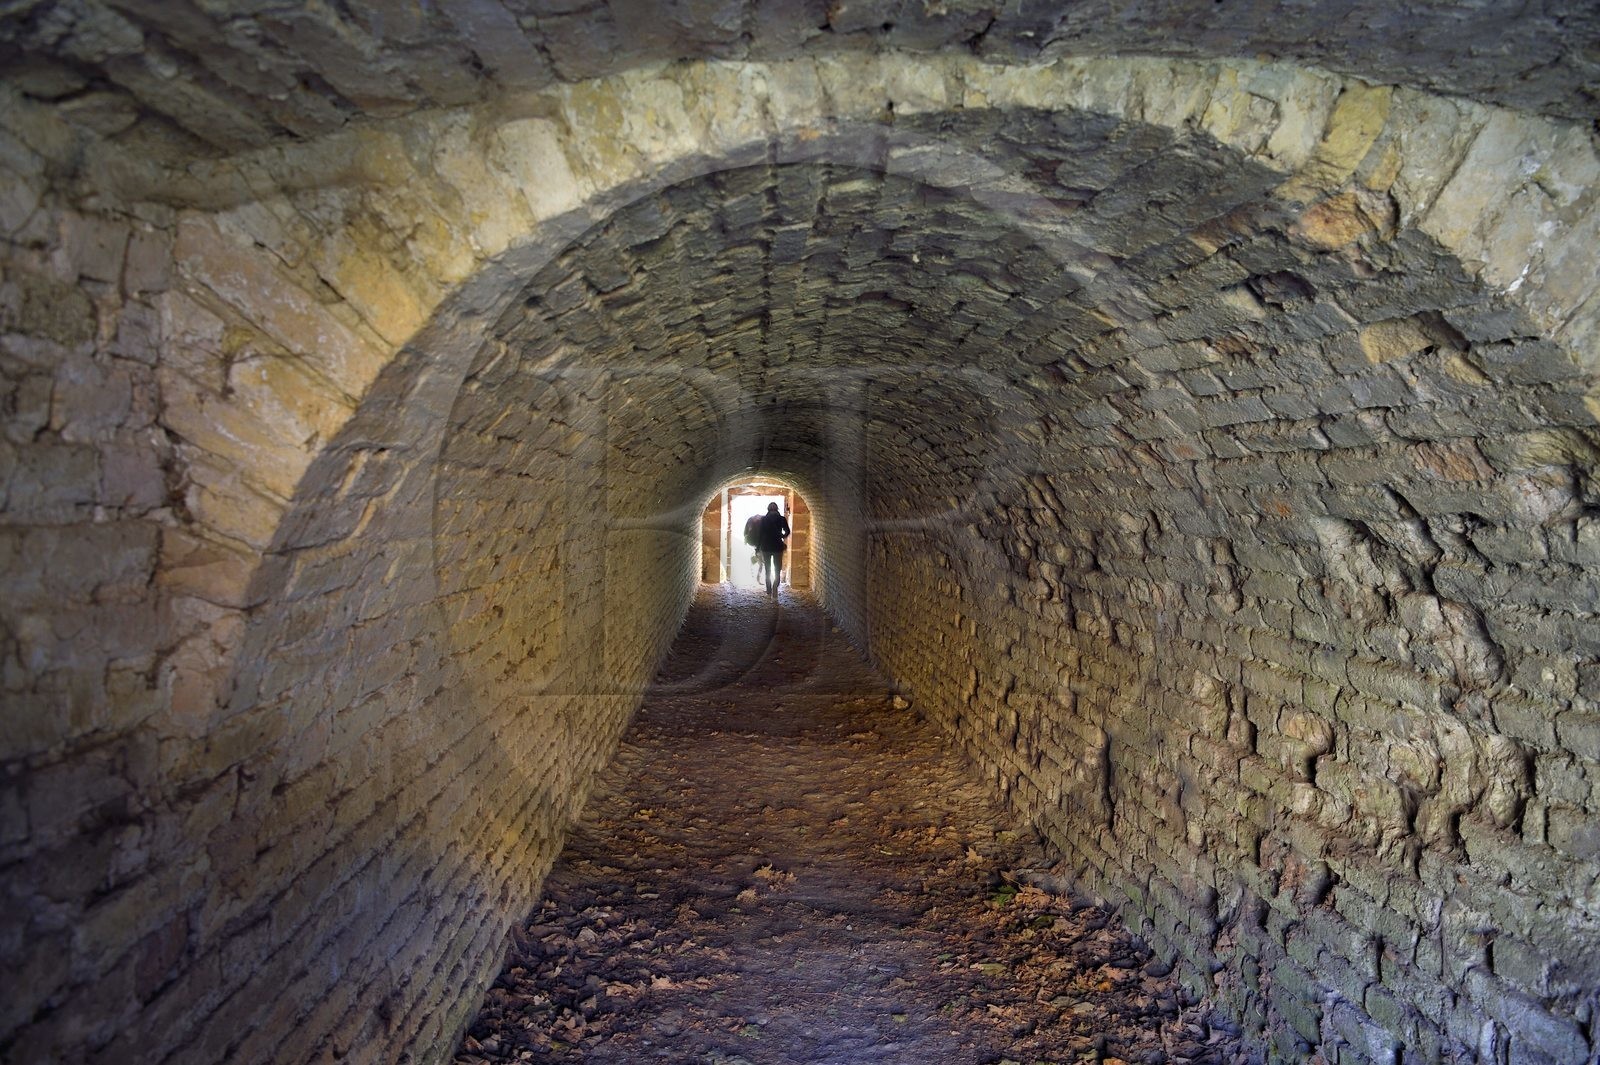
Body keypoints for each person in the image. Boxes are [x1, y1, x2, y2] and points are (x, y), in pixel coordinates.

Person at [754, 501, 790, 596]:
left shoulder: (764, 519)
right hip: (778, 546)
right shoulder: (782, 519)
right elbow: (787, 531)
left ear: (768, 509)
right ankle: (775, 587)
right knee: (777, 568)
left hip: (766, 547)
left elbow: (760, 535)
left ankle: (769, 589)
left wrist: (757, 548)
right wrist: (782, 536)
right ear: (777, 509)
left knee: (768, 569)